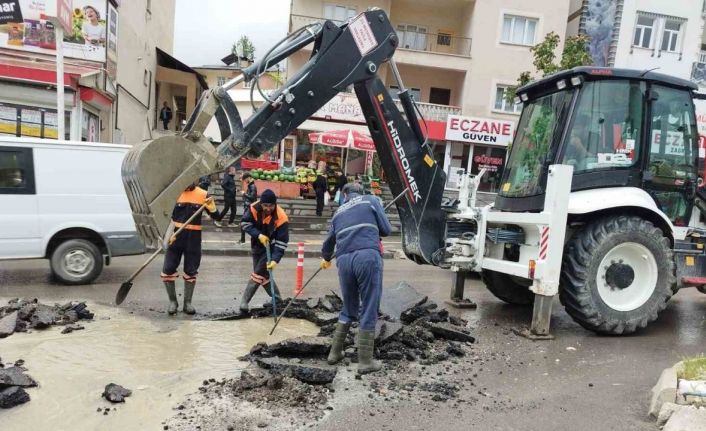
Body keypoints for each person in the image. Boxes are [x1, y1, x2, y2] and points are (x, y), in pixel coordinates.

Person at [320, 183, 392, 374]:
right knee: (369, 305)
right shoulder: (371, 200)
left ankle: (334, 354)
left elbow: (327, 244)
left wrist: (326, 258)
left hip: (343, 261)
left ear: (345, 195)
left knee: (349, 306)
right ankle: (365, 362)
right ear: (360, 192)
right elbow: (386, 230)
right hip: (367, 256)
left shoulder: (338, 213)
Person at [160, 183, 217, 315]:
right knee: (168, 269)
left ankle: (187, 303)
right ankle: (173, 302)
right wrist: (167, 235)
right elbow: (165, 217)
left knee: (191, 271)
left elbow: (217, 217)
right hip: (175, 238)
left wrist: (212, 208)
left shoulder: (203, 194)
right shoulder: (174, 192)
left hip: (193, 240)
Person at [238, 189, 289, 314]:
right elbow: (244, 223)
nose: (268, 208)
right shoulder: (253, 208)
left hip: (271, 247)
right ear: (261, 203)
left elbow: (282, 242)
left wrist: (275, 260)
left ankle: (244, 302)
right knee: (263, 275)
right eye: (265, 205)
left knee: (258, 272)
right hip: (257, 243)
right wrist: (259, 235)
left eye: (271, 206)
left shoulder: (281, 216)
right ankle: (277, 299)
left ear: (275, 204)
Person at [240, 172, 257, 244]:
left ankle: (243, 240)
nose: (245, 181)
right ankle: (243, 240)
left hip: (250, 208)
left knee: (243, 223)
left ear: (248, 178)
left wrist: (244, 194)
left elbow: (252, 197)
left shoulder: (252, 186)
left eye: (245, 179)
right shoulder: (250, 186)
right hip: (248, 207)